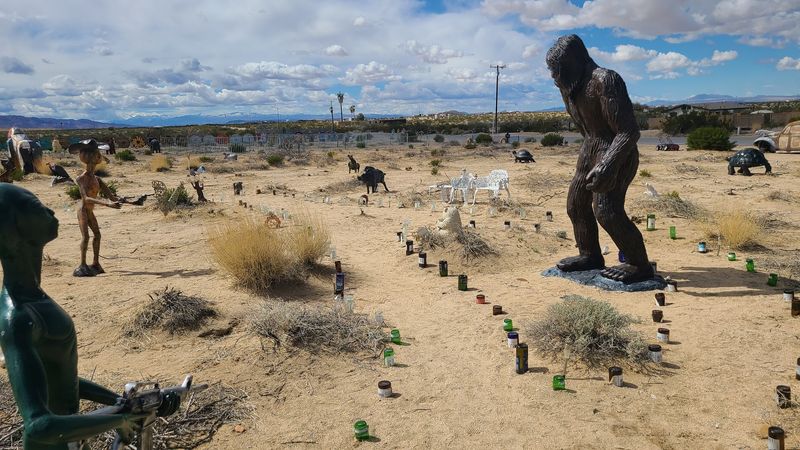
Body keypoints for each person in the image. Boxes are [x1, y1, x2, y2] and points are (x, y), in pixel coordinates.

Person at [0, 184, 151, 449]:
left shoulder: (35, 299)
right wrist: (121, 420)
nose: (49, 210)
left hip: (70, 440)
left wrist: (119, 402)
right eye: (37, 208)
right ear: (15, 230)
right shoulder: (19, 318)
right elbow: (39, 425)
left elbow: (61, 380)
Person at [546, 34, 652, 283]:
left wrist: (608, 164)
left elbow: (628, 131)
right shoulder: (570, 88)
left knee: (607, 211)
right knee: (576, 204)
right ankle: (590, 255)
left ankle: (639, 265)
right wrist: (590, 158)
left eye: (557, 70)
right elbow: (586, 129)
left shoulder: (606, 80)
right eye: (551, 71)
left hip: (617, 151)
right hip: (590, 149)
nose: (553, 77)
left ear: (573, 62)